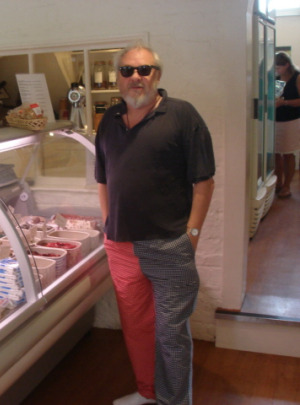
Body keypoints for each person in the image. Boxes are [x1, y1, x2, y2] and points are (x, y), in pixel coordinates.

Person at [94, 43, 215, 405]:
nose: (136, 77)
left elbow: (204, 181)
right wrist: (108, 225)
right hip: (121, 245)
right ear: (118, 77)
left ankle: (174, 401)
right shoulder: (109, 120)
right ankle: (148, 393)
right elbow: (103, 178)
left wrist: (192, 235)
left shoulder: (182, 115)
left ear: (157, 75)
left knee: (170, 334)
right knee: (137, 328)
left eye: (144, 70)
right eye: (127, 70)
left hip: (168, 244)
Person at [274, 51, 300, 198]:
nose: (277, 70)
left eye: (279, 67)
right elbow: (276, 95)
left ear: (287, 65)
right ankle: (278, 182)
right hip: (276, 119)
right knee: (276, 153)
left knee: (288, 154)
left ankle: (287, 186)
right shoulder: (277, 78)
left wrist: (284, 102)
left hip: (291, 120)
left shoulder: (297, 77)